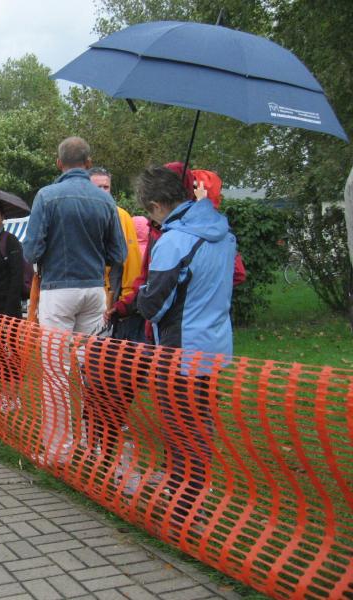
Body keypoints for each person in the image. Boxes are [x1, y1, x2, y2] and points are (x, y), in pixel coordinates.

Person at [135, 165, 236, 531]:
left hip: (178, 351)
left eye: (149, 212)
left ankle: (184, 513)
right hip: (214, 348)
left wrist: (141, 294)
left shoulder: (173, 241)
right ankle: (192, 502)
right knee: (200, 428)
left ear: (157, 205)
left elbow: (154, 305)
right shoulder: (224, 234)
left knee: (180, 432)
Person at [23, 137, 126, 335]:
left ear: (59, 163)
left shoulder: (46, 196)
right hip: (94, 288)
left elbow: (31, 252)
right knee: (86, 352)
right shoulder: (106, 200)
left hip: (57, 288)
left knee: (56, 354)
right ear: (88, 163)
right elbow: (119, 254)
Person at [88, 167, 144, 342]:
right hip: (82, 292)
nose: (103, 191)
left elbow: (131, 261)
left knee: (102, 348)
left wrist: (126, 300)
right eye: (98, 187)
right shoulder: (78, 214)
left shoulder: (122, 216)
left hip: (109, 296)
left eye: (106, 187)